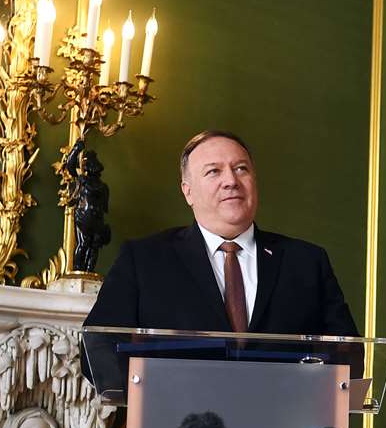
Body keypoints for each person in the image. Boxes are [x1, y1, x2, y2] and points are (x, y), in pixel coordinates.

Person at [84, 129, 359, 339]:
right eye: (214, 171)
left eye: (241, 169)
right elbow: (99, 348)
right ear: (188, 191)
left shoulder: (307, 262)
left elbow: (348, 355)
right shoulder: (144, 260)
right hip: (177, 412)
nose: (231, 181)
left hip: (284, 412)